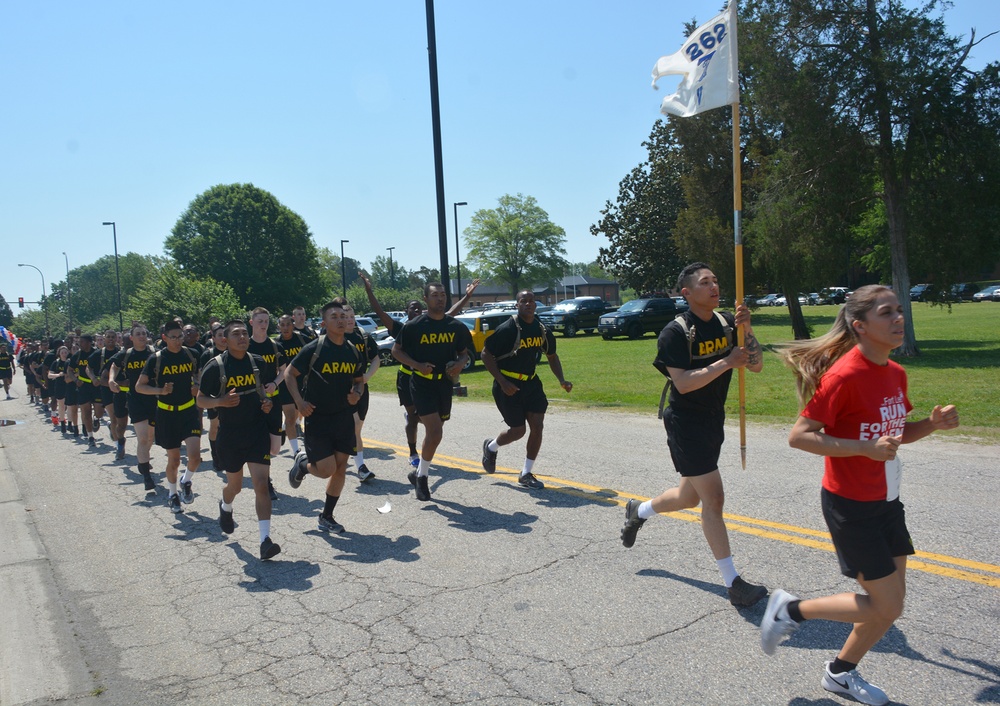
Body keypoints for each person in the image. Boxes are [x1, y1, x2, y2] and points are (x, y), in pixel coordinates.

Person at [760, 285, 959, 706]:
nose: (898, 319)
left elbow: (894, 435)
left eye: (899, 311)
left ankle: (839, 673)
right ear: (860, 326)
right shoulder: (844, 376)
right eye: (887, 313)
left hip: (887, 500)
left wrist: (931, 424)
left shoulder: (894, 373)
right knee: (887, 606)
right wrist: (863, 449)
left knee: (887, 607)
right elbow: (800, 437)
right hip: (851, 504)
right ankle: (790, 611)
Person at [620, 262, 768, 608]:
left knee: (689, 498)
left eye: (715, 280)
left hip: (713, 420)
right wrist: (726, 363)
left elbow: (756, 364)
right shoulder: (675, 332)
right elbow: (683, 384)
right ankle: (734, 584)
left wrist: (747, 330)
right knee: (713, 499)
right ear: (687, 293)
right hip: (686, 423)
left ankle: (637, 511)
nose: (714, 286)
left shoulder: (728, 323)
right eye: (705, 282)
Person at [361, 274, 480, 471]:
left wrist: (467, 297)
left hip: (437, 379)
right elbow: (381, 313)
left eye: (418, 308)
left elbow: (450, 313)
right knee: (413, 417)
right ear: (406, 311)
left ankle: (424, 452)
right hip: (409, 377)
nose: (416, 310)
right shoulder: (404, 328)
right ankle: (413, 452)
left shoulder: (439, 323)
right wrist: (369, 291)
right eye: (412, 308)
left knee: (433, 422)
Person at [197, 320, 281, 560]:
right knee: (235, 486)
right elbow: (200, 400)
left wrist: (267, 403)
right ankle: (225, 506)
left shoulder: (259, 363)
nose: (242, 337)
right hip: (230, 436)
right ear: (225, 338)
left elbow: (265, 392)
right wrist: (220, 402)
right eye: (236, 334)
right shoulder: (216, 367)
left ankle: (265, 540)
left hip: (256, 432)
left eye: (245, 333)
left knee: (261, 485)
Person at [284, 299, 366, 533]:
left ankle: (326, 516)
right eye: (334, 317)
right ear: (324, 323)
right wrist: (300, 402)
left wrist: (357, 394)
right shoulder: (315, 348)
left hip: (343, 417)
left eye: (343, 316)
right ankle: (302, 464)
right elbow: (290, 373)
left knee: (341, 469)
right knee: (326, 469)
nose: (341, 321)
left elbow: (359, 380)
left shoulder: (352, 350)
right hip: (318, 418)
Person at [480, 289, 572, 489]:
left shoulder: (541, 330)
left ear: (535, 304)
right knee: (518, 431)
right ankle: (491, 446)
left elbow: (552, 356)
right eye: (524, 301)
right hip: (508, 385)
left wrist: (562, 380)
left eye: (531, 301)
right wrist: (502, 382)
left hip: (531, 383)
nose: (528, 304)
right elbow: (486, 354)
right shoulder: (508, 328)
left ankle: (526, 473)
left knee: (537, 426)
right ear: (517, 305)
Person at [391, 282, 472, 502]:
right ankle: (423, 479)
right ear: (426, 299)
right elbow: (396, 351)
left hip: (444, 385)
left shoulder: (455, 326)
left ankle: (417, 474)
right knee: (435, 432)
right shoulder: (414, 326)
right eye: (435, 295)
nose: (440, 299)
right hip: (421, 383)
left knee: (434, 434)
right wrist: (416, 365)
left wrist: (459, 363)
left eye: (443, 295)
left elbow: (464, 353)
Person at [135, 320, 202, 512]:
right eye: (173, 337)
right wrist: (160, 391)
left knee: (195, 457)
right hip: (166, 413)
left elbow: (199, 376)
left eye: (180, 336)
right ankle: (172, 494)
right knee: (174, 460)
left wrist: (197, 385)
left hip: (189, 411)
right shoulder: (156, 359)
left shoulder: (191, 354)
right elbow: (140, 386)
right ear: (164, 338)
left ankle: (186, 481)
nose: (178, 340)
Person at [110, 324, 158, 490]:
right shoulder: (126, 354)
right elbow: (114, 366)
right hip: (135, 400)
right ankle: (147, 476)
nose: (142, 336)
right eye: (138, 334)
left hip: (154, 399)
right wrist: (111, 380)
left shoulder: (154, 353)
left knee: (150, 438)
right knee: (143, 438)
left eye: (144, 333)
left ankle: (143, 460)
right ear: (131, 338)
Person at [247, 307, 284, 500]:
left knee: (275, 448)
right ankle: (266, 483)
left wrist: (275, 383)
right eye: (260, 321)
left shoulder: (275, 346)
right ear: (252, 323)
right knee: (261, 443)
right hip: (254, 403)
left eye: (266, 321)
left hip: (274, 400)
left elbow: (284, 371)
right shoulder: (246, 346)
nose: (263, 325)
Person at [344, 305, 381, 482]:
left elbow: (376, 358)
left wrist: (367, 376)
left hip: (362, 388)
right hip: (342, 390)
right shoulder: (336, 338)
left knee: (357, 428)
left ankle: (347, 456)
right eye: (346, 316)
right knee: (354, 425)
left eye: (352, 316)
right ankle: (361, 466)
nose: (350, 319)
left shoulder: (363, 337)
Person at [274, 314, 308, 456]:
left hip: (303, 383)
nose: (286, 328)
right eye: (283, 325)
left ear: (293, 325)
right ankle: (296, 451)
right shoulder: (275, 345)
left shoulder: (302, 340)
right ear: (279, 327)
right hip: (285, 385)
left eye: (288, 324)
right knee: (289, 417)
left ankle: (285, 429)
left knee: (297, 416)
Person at [200, 324, 228, 471]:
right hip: (214, 397)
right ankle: (215, 455)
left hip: (231, 396)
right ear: (213, 338)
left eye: (225, 335)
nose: (223, 338)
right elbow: (201, 377)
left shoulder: (234, 352)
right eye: (219, 335)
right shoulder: (208, 355)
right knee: (215, 426)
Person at [89, 329, 121, 454]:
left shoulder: (121, 352)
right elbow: (88, 368)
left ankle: (115, 431)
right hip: (105, 388)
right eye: (108, 337)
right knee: (113, 416)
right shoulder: (99, 354)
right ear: (104, 338)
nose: (111, 339)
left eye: (113, 337)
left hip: (120, 388)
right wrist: (93, 378)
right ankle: (118, 445)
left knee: (120, 418)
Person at [47, 346, 71, 432]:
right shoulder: (56, 363)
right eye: (62, 353)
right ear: (59, 354)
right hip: (59, 385)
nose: (64, 354)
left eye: (65, 352)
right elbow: (49, 375)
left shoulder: (70, 362)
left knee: (69, 405)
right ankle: (62, 423)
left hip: (69, 385)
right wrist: (58, 375)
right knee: (61, 404)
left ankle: (70, 423)